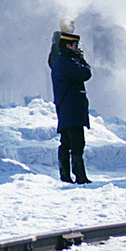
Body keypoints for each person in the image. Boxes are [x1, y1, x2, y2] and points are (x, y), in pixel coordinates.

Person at [51, 31, 92, 184]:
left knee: (66, 142)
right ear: (68, 45)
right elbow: (85, 74)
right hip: (72, 108)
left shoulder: (62, 61)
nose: (78, 48)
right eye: (76, 45)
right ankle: (79, 175)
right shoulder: (67, 62)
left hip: (68, 107)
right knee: (77, 143)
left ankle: (65, 174)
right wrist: (82, 59)